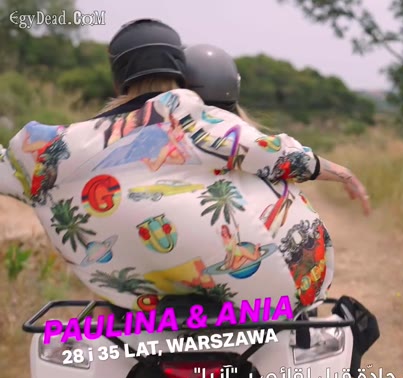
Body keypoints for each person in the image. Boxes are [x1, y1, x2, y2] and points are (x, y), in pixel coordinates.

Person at [0, 19, 370, 320]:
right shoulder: (193, 116)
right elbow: (276, 156)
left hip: (138, 302)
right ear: (181, 71)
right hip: (260, 298)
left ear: (117, 79)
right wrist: (340, 172)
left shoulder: (58, 146)